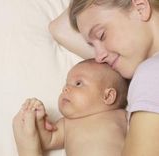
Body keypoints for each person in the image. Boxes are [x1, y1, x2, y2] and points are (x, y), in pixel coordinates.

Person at [13, 0, 159, 155]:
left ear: (140, 7)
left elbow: (59, 28)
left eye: (101, 35)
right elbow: (58, 29)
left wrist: (28, 149)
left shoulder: (151, 73)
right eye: (91, 45)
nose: (98, 57)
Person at [13, 59, 128, 156]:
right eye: (66, 84)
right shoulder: (67, 123)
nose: (65, 89)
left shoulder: (123, 116)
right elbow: (47, 141)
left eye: (78, 83)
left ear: (108, 96)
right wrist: (38, 120)